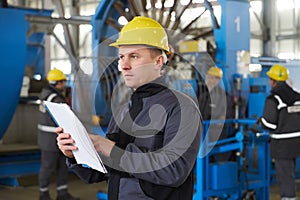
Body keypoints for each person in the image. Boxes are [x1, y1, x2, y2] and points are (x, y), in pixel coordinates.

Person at [56, 16, 202, 200]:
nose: (124, 65)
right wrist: (76, 153)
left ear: (158, 61)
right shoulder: (125, 109)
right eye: (122, 57)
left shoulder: (182, 108)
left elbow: (174, 171)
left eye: (134, 56)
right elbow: (99, 173)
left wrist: (110, 149)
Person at [260, 64, 300, 200]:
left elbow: (269, 123)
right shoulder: (297, 96)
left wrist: (260, 122)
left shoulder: (274, 99)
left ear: (273, 81)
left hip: (282, 145)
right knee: (290, 173)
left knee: (285, 176)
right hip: (296, 142)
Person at [38, 68, 79, 200]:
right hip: (52, 140)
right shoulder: (55, 98)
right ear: (59, 83)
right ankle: (43, 194)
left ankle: (62, 193)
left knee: (62, 166)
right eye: (64, 81)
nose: (65, 84)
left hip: (51, 139)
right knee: (48, 167)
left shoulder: (46, 94)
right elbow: (65, 118)